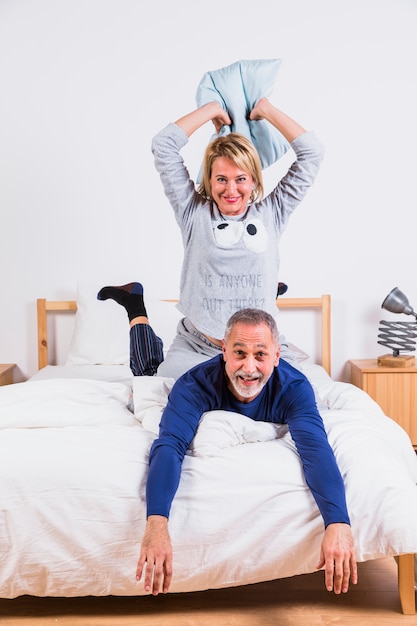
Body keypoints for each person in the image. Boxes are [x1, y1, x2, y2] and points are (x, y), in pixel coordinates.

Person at [132, 306, 357, 597]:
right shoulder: (193, 385)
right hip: (189, 379)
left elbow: (315, 449)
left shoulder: (295, 387)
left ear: (277, 356)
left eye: (261, 355)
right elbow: (170, 444)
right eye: (239, 353)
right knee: (149, 372)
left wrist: (338, 521)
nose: (249, 367)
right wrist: (156, 521)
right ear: (224, 350)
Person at [99, 97, 324, 380]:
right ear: (208, 179)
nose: (231, 189)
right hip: (200, 347)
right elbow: (163, 145)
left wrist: (265, 109)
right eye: (221, 179)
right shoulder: (193, 212)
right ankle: (136, 309)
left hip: (258, 351)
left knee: (300, 394)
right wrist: (212, 110)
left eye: (241, 178)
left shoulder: (272, 212)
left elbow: (312, 153)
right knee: (156, 391)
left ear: (254, 180)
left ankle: (269, 288)